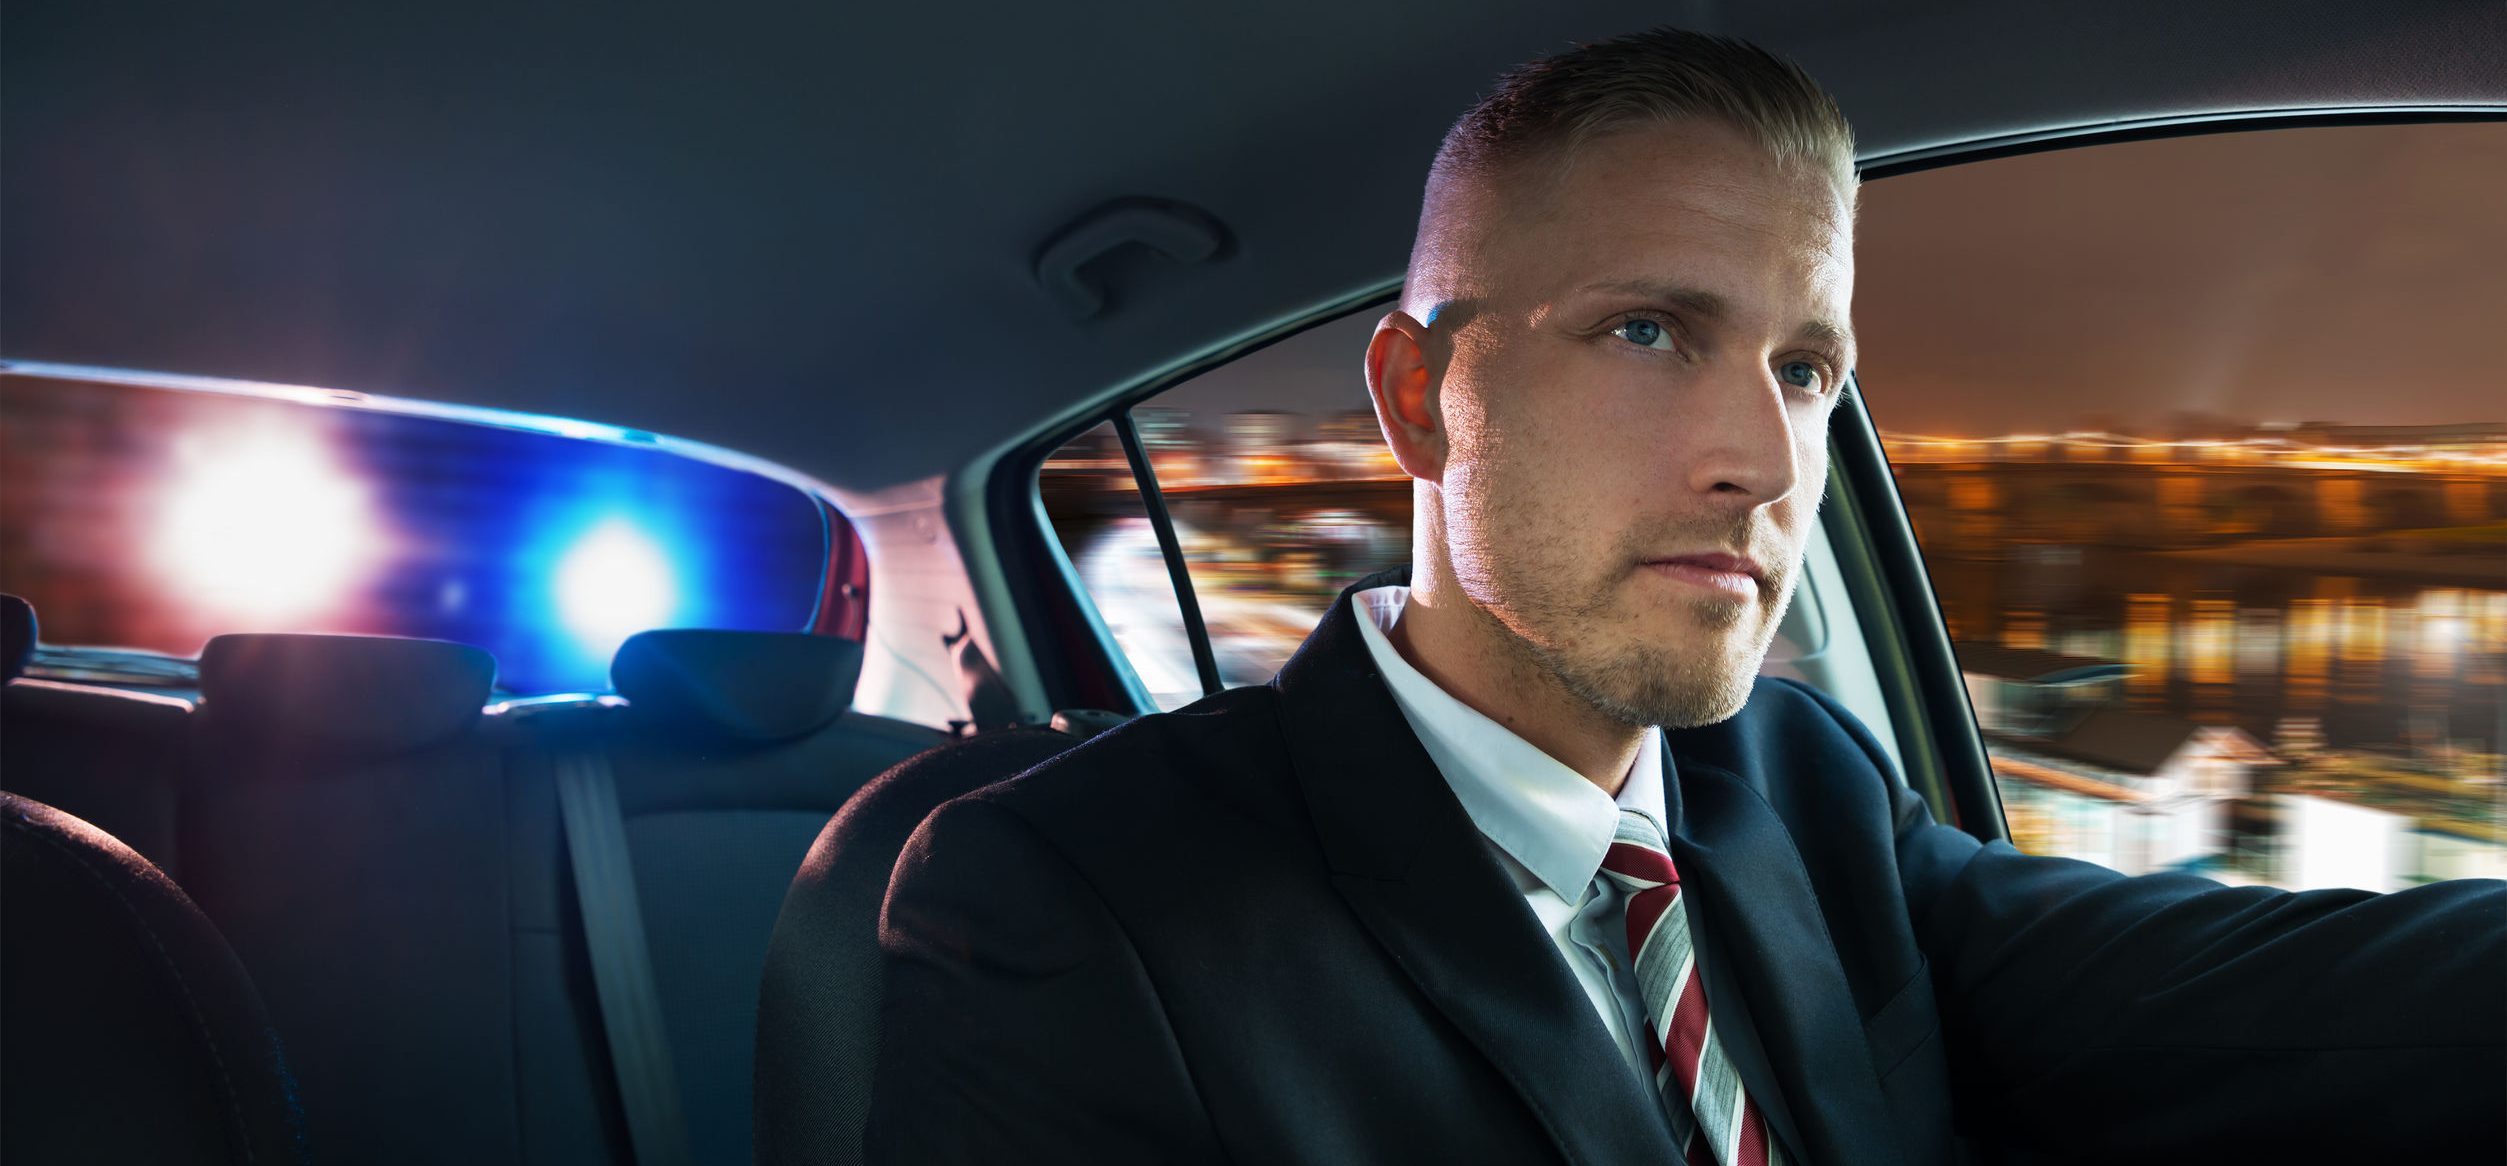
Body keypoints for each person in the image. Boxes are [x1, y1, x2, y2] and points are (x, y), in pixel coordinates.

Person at [865, 28, 2504, 1164]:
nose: (1764, 460)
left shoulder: (1799, 784)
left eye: (1805, 368)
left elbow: (2248, 998)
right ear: (1420, 399)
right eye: (1648, 329)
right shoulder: (1067, 903)